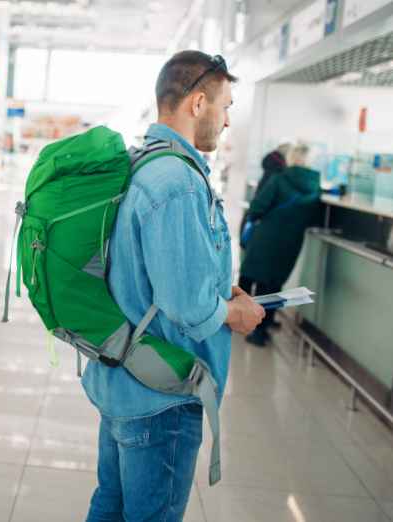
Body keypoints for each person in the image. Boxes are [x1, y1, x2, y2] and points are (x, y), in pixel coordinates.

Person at [82, 51, 265, 522]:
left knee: (111, 504)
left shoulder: (141, 163)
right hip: (162, 393)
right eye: (225, 107)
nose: (227, 122)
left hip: (124, 373)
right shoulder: (178, 182)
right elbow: (186, 305)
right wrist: (233, 313)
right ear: (198, 103)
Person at [239, 142, 322, 347]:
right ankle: (263, 330)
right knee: (274, 285)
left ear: (292, 158)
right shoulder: (315, 188)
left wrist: (253, 217)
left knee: (258, 281)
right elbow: (315, 218)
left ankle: (252, 326)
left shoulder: (279, 179)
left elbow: (258, 207)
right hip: (291, 242)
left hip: (267, 237)